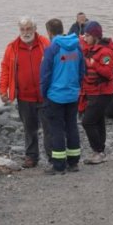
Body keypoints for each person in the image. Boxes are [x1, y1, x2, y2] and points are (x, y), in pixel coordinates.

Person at [0, 17, 52, 168]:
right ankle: (31, 156)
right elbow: (5, 70)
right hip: (24, 96)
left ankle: (53, 156)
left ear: (35, 29)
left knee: (49, 127)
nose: (26, 32)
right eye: (23, 29)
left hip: (45, 94)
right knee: (29, 128)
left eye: (29, 29)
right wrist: (3, 90)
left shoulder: (44, 44)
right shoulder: (12, 47)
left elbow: (55, 65)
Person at [40, 18, 85, 175]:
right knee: (72, 126)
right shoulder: (76, 47)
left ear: (49, 32)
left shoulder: (52, 49)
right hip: (72, 94)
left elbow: (45, 75)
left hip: (56, 96)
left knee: (57, 129)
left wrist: (43, 94)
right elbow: (82, 71)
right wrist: (76, 87)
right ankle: (73, 162)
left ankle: (59, 164)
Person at [79, 21, 113, 165]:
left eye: (88, 35)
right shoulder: (91, 49)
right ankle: (100, 151)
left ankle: (98, 150)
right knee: (98, 121)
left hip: (103, 92)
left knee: (87, 122)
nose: (85, 38)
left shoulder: (106, 53)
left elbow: (108, 73)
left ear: (95, 36)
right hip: (93, 91)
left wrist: (94, 64)